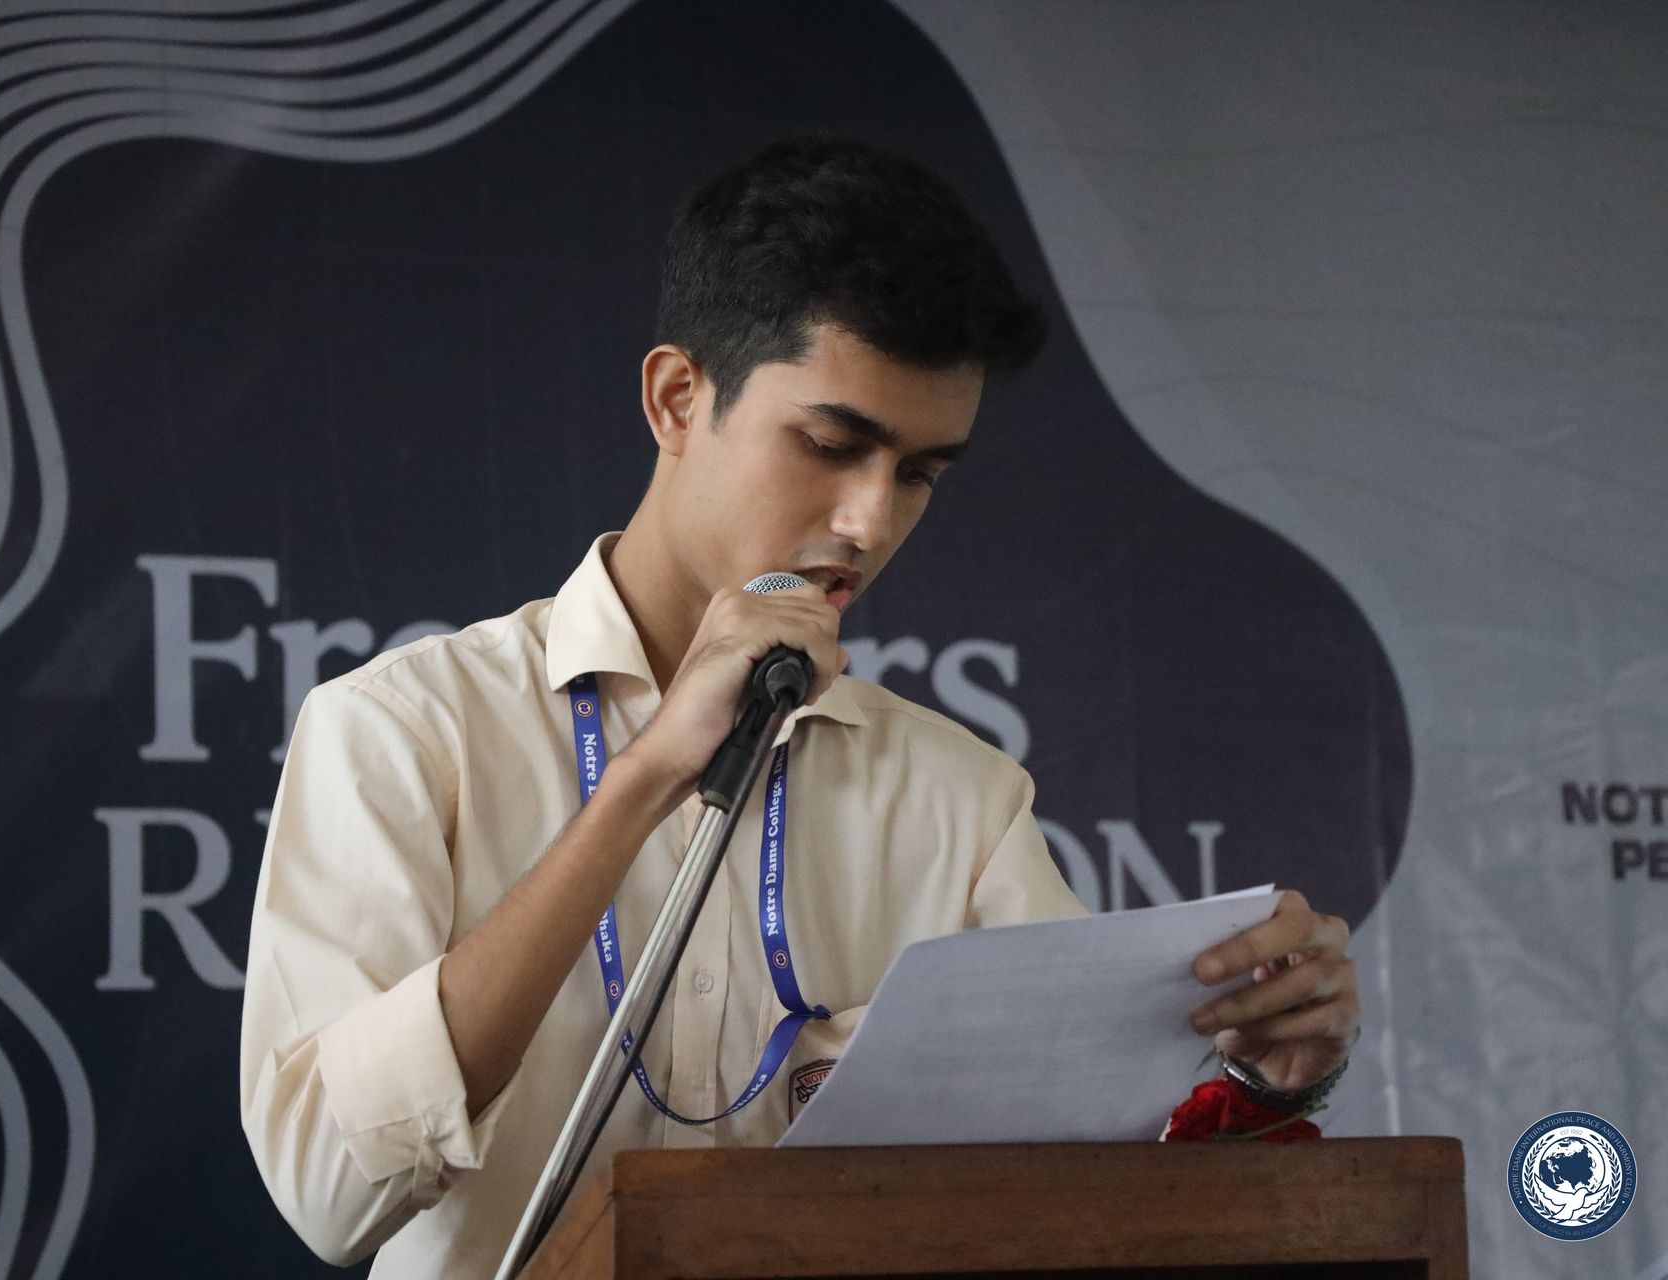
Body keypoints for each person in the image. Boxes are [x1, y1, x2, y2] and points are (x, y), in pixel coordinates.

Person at [238, 134, 1361, 1277]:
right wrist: (643, 779)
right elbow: (329, 1191)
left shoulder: (961, 797)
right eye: (831, 444)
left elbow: (1079, 1182)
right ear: (678, 398)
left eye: (920, 474)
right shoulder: (403, 729)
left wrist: (1265, 1074)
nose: (872, 520)